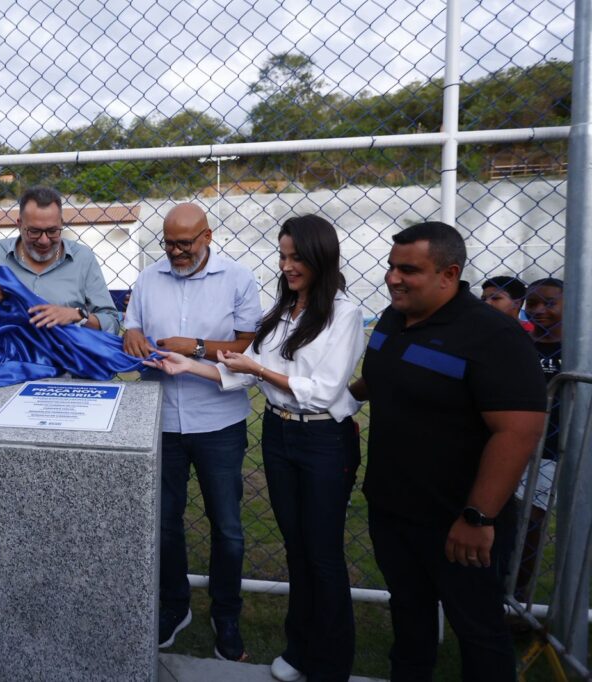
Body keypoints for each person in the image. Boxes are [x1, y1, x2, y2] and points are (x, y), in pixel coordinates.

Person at [147, 215, 364, 681]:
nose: (287, 266)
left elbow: (322, 390)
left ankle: (332, 663)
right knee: (296, 548)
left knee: (322, 554)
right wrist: (186, 366)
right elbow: (243, 371)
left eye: (297, 257)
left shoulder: (343, 313)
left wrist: (259, 370)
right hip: (280, 434)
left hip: (324, 438)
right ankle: (302, 648)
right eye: (283, 256)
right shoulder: (285, 312)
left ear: (321, 257)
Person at [352, 222, 546, 681]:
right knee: (410, 619)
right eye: (391, 267)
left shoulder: (492, 336)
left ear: (449, 273)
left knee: (478, 631)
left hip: (458, 520)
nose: (393, 278)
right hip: (392, 509)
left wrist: (477, 517)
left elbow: (517, 432)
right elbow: (378, 380)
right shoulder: (392, 318)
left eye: (409, 270)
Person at [122, 203, 262, 662]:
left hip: (217, 419)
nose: (177, 252)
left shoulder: (236, 278)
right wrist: (135, 338)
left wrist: (197, 348)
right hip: (160, 417)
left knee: (227, 527)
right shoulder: (148, 278)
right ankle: (174, 605)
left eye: (186, 243)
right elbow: (131, 326)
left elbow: (249, 345)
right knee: (164, 522)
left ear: (208, 236)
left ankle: (226, 614)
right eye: (169, 243)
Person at [0, 186, 120, 336]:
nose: (44, 240)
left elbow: (111, 322)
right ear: (19, 224)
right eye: (34, 231)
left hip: (68, 367)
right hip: (11, 367)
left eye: (52, 231)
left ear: (62, 223)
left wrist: (76, 316)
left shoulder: (83, 258)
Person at [513, 277, 564, 598]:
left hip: (552, 450)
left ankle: (518, 592)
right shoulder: (519, 345)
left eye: (549, 303)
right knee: (506, 519)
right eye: (531, 303)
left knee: (531, 523)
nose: (539, 310)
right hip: (512, 445)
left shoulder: (577, 350)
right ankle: (502, 588)